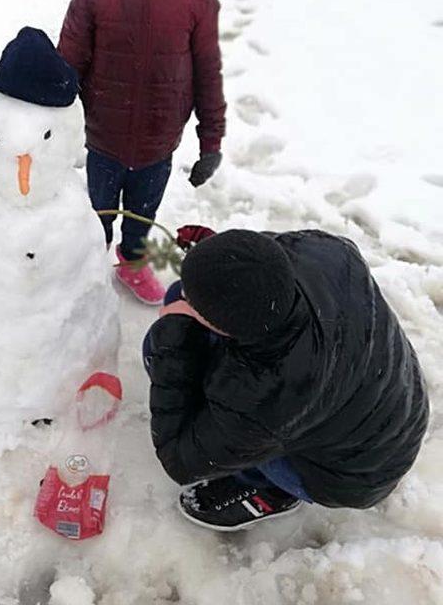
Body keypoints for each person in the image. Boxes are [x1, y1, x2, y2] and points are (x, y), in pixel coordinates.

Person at [144, 228, 429, 531]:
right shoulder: (323, 250)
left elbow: (180, 457)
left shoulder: (269, 393)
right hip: (391, 398)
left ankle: (270, 489)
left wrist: (173, 345)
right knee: (180, 295)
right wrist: (224, 255)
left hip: (355, 473)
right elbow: (263, 256)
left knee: (157, 347)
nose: (187, 301)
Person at [58, 0, 226, 307]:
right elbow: (68, 60)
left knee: (142, 213)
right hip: (104, 135)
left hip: (158, 138)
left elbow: (208, 68)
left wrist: (211, 140)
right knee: (96, 212)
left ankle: (131, 261)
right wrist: (45, 121)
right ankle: (88, 265)